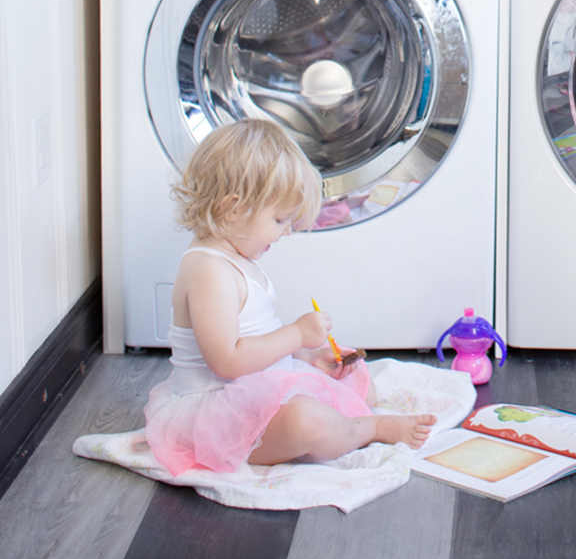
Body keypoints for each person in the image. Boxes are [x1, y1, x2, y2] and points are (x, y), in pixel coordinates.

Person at [144, 119, 435, 475]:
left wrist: (306, 356)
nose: (285, 233)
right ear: (234, 208)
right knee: (304, 421)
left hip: (253, 390)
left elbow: (254, 339)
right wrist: (295, 334)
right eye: (280, 220)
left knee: (355, 380)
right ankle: (369, 429)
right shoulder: (209, 271)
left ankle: (344, 420)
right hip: (214, 414)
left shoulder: (239, 258)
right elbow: (228, 362)